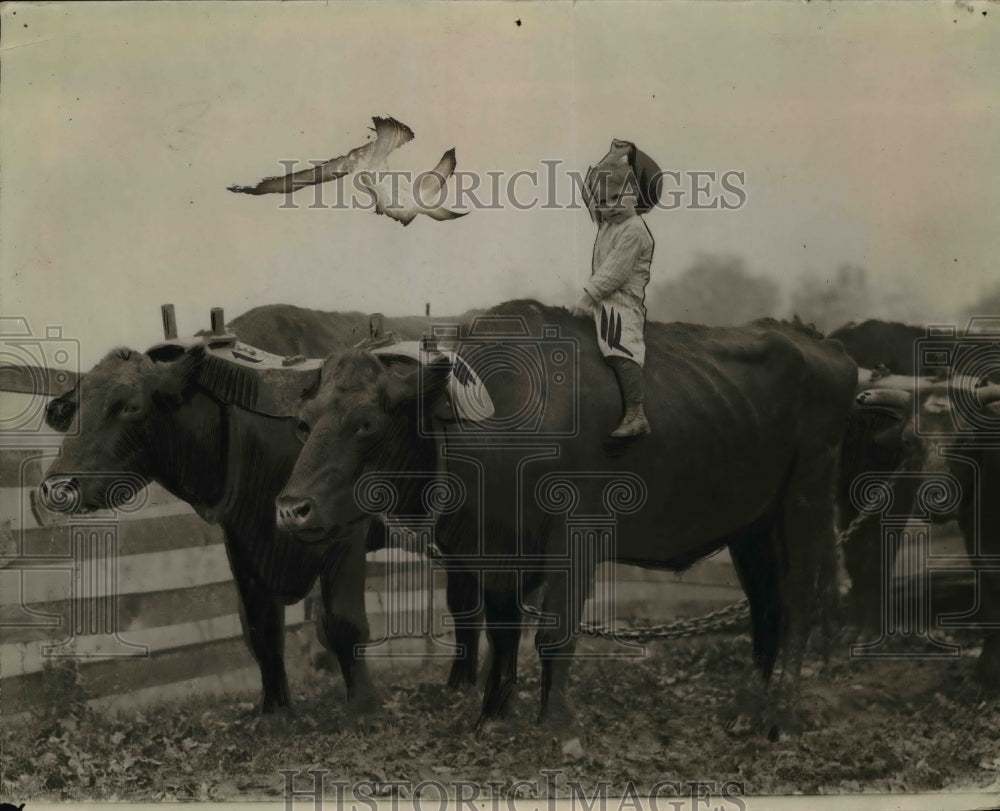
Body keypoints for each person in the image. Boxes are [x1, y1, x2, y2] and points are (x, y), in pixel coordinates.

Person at [571, 139, 658, 438]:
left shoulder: (633, 230)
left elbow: (615, 272)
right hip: (601, 298)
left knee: (619, 345)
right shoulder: (609, 222)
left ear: (633, 193)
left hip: (621, 300)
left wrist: (587, 297)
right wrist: (611, 157)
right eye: (603, 202)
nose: (607, 208)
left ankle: (636, 413)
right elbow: (588, 193)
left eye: (615, 199)